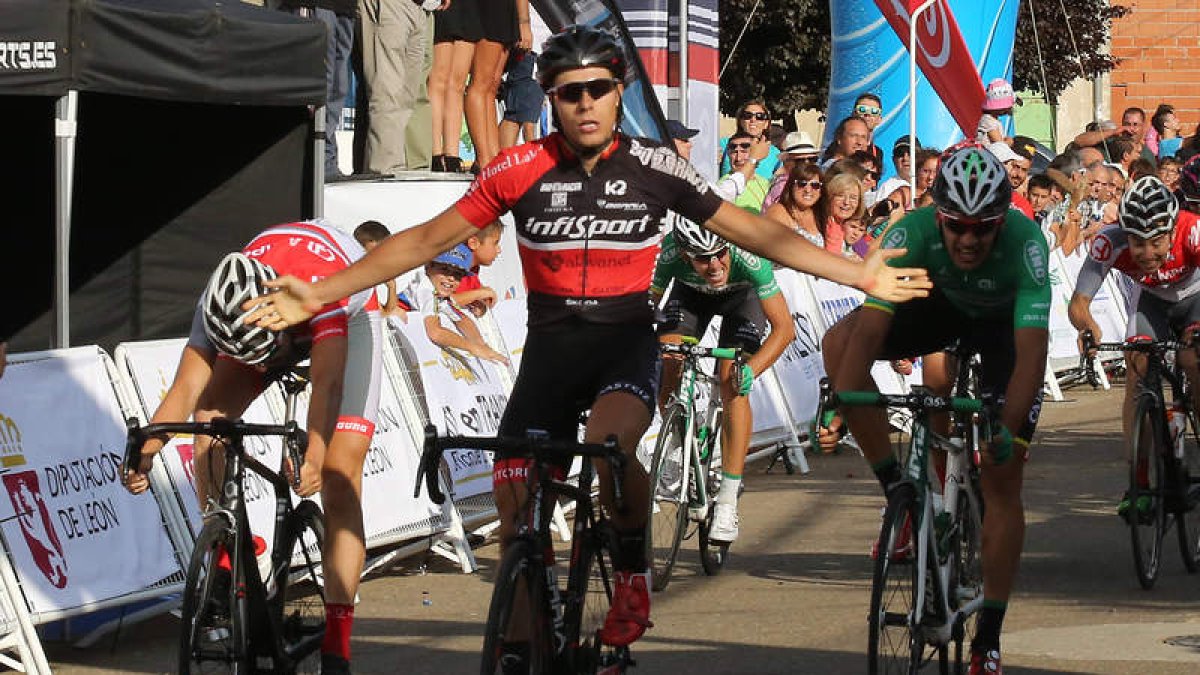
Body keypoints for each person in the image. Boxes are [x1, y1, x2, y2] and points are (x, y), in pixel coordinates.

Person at [241, 25, 930, 658]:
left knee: (609, 449)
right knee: (515, 499)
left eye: (599, 88)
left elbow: (757, 233)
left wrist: (857, 269)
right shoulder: (515, 168)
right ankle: (522, 641)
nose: (585, 104)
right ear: (550, 99)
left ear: (619, 91)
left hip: (624, 344)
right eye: (569, 93)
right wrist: (323, 291)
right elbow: (424, 241)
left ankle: (630, 569)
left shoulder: (659, 166)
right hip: (549, 353)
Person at [820, 143, 1050, 675]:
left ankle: (987, 637)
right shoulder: (910, 232)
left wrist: (1008, 433)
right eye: (956, 226)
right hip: (940, 309)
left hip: (1001, 331)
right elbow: (870, 332)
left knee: (1003, 476)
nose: (968, 239)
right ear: (938, 215)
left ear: (1001, 220)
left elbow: (1032, 358)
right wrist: (842, 400)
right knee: (840, 343)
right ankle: (898, 489)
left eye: (982, 228)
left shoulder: (1026, 243)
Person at [122, 220, 384, 675]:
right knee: (211, 420)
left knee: (341, 476)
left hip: (344, 316)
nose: (263, 365)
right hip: (267, 329)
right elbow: (187, 389)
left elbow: (327, 384)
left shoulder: (322, 293)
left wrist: (317, 456)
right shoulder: (215, 302)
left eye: (263, 353)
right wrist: (149, 446)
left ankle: (338, 645)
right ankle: (226, 549)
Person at [650, 223, 795, 543]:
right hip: (690, 298)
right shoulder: (670, 252)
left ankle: (727, 501)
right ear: (686, 256)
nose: (714, 265)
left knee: (732, 382)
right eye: (703, 259)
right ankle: (679, 438)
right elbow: (647, 305)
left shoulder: (748, 257)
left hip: (742, 301)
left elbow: (785, 329)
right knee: (669, 361)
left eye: (719, 255)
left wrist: (752, 370)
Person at [1068, 176, 1200, 519]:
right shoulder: (1109, 241)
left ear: (1172, 230)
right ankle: (1139, 480)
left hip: (1196, 299)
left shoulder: (1192, 230)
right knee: (1136, 369)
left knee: (1192, 357)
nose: (1146, 253)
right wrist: (1089, 328)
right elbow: (1078, 303)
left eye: (1156, 242)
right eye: (1137, 243)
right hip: (1153, 303)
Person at [358, 0, 444, 175]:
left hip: (420, 8)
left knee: (407, 99)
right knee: (387, 92)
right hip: (391, 5)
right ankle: (385, 172)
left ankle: (400, 170)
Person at [281, 0, 355, 178]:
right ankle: (314, 161)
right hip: (314, 5)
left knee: (340, 85)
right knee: (319, 82)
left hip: (345, 8)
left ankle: (326, 157)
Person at [407, 243, 508, 362]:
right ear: (428, 266)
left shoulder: (437, 291)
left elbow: (461, 319)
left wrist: (483, 346)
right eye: (445, 269)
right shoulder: (426, 289)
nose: (451, 278)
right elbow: (435, 332)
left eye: (458, 274)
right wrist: (473, 348)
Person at [466, 0, 531, 169]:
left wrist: (524, 21)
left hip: (505, 10)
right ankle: (483, 157)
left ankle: (494, 155)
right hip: (486, 9)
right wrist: (524, 22)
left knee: (492, 85)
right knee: (481, 82)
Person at [428, 0, 479, 173]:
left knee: (457, 85)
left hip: (470, 9)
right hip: (445, 7)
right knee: (438, 80)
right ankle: (435, 154)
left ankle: (452, 155)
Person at [354, 220, 410, 320]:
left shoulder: (367, 280)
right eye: (374, 254)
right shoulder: (355, 281)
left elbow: (388, 315)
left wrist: (392, 287)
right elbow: (384, 316)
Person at [764, 162, 825, 247]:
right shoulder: (778, 211)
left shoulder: (821, 215)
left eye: (815, 185)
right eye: (802, 184)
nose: (808, 190)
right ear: (791, 186)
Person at [718, 100, 781, 180]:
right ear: (740, 121)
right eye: (747, 115)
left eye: (759, 117)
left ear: (766, 124)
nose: (753, 120)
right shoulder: (724, 144)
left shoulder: (775, 153)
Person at [453, 220, 504, 317]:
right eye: (495, 243)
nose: (499, 250)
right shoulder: (450, 269)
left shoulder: (473, 269)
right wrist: (480, 293)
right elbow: (447, 300)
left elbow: (472, 293)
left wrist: (482, 301)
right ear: (473, 243)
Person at [498, 48, 544, 149]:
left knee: (514, 117)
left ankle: (502, 159)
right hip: (529, 56)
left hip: (537, 59)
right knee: (523, 121)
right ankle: (533, 161)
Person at [762, 130, 820, 209]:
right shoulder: (783, 187)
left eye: (812, 159)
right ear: (786, 161)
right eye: (800, 161)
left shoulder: (816, 183)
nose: (807, 164)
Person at [720, 130, 772, 213]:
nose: (738, 158)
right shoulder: (726, 184)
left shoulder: (764, 182)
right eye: (734, 152)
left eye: (744, 152)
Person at [977, 78, 1016, 145]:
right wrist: (1009, 142)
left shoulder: (994, 120)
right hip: (988, 154)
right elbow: (1000, 145)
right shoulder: (988, 121)